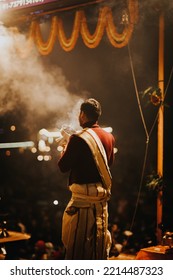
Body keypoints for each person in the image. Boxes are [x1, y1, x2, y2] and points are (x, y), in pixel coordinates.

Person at [58, 98, 115, 259]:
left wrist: (64, 146)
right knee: (99, 247)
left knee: (78, 249)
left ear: (82, 114)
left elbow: (63, 166)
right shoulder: (109, 137)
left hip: (82, 202)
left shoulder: (77, 138)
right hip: (101, 202)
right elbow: (108, 164)